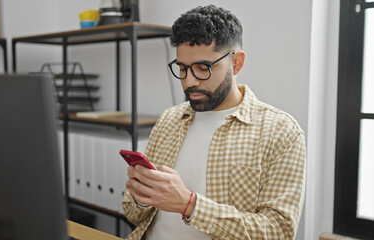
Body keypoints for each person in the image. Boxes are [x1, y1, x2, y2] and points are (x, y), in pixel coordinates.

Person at [122, 4, 306, 240]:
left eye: (203, 68)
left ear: (237, 63)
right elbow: (132, 214)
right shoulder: (169, 120)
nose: (189, 82)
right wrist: (140, 196)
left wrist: (189, 205)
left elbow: (279, 232)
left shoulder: (281, 133)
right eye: (182, 68)